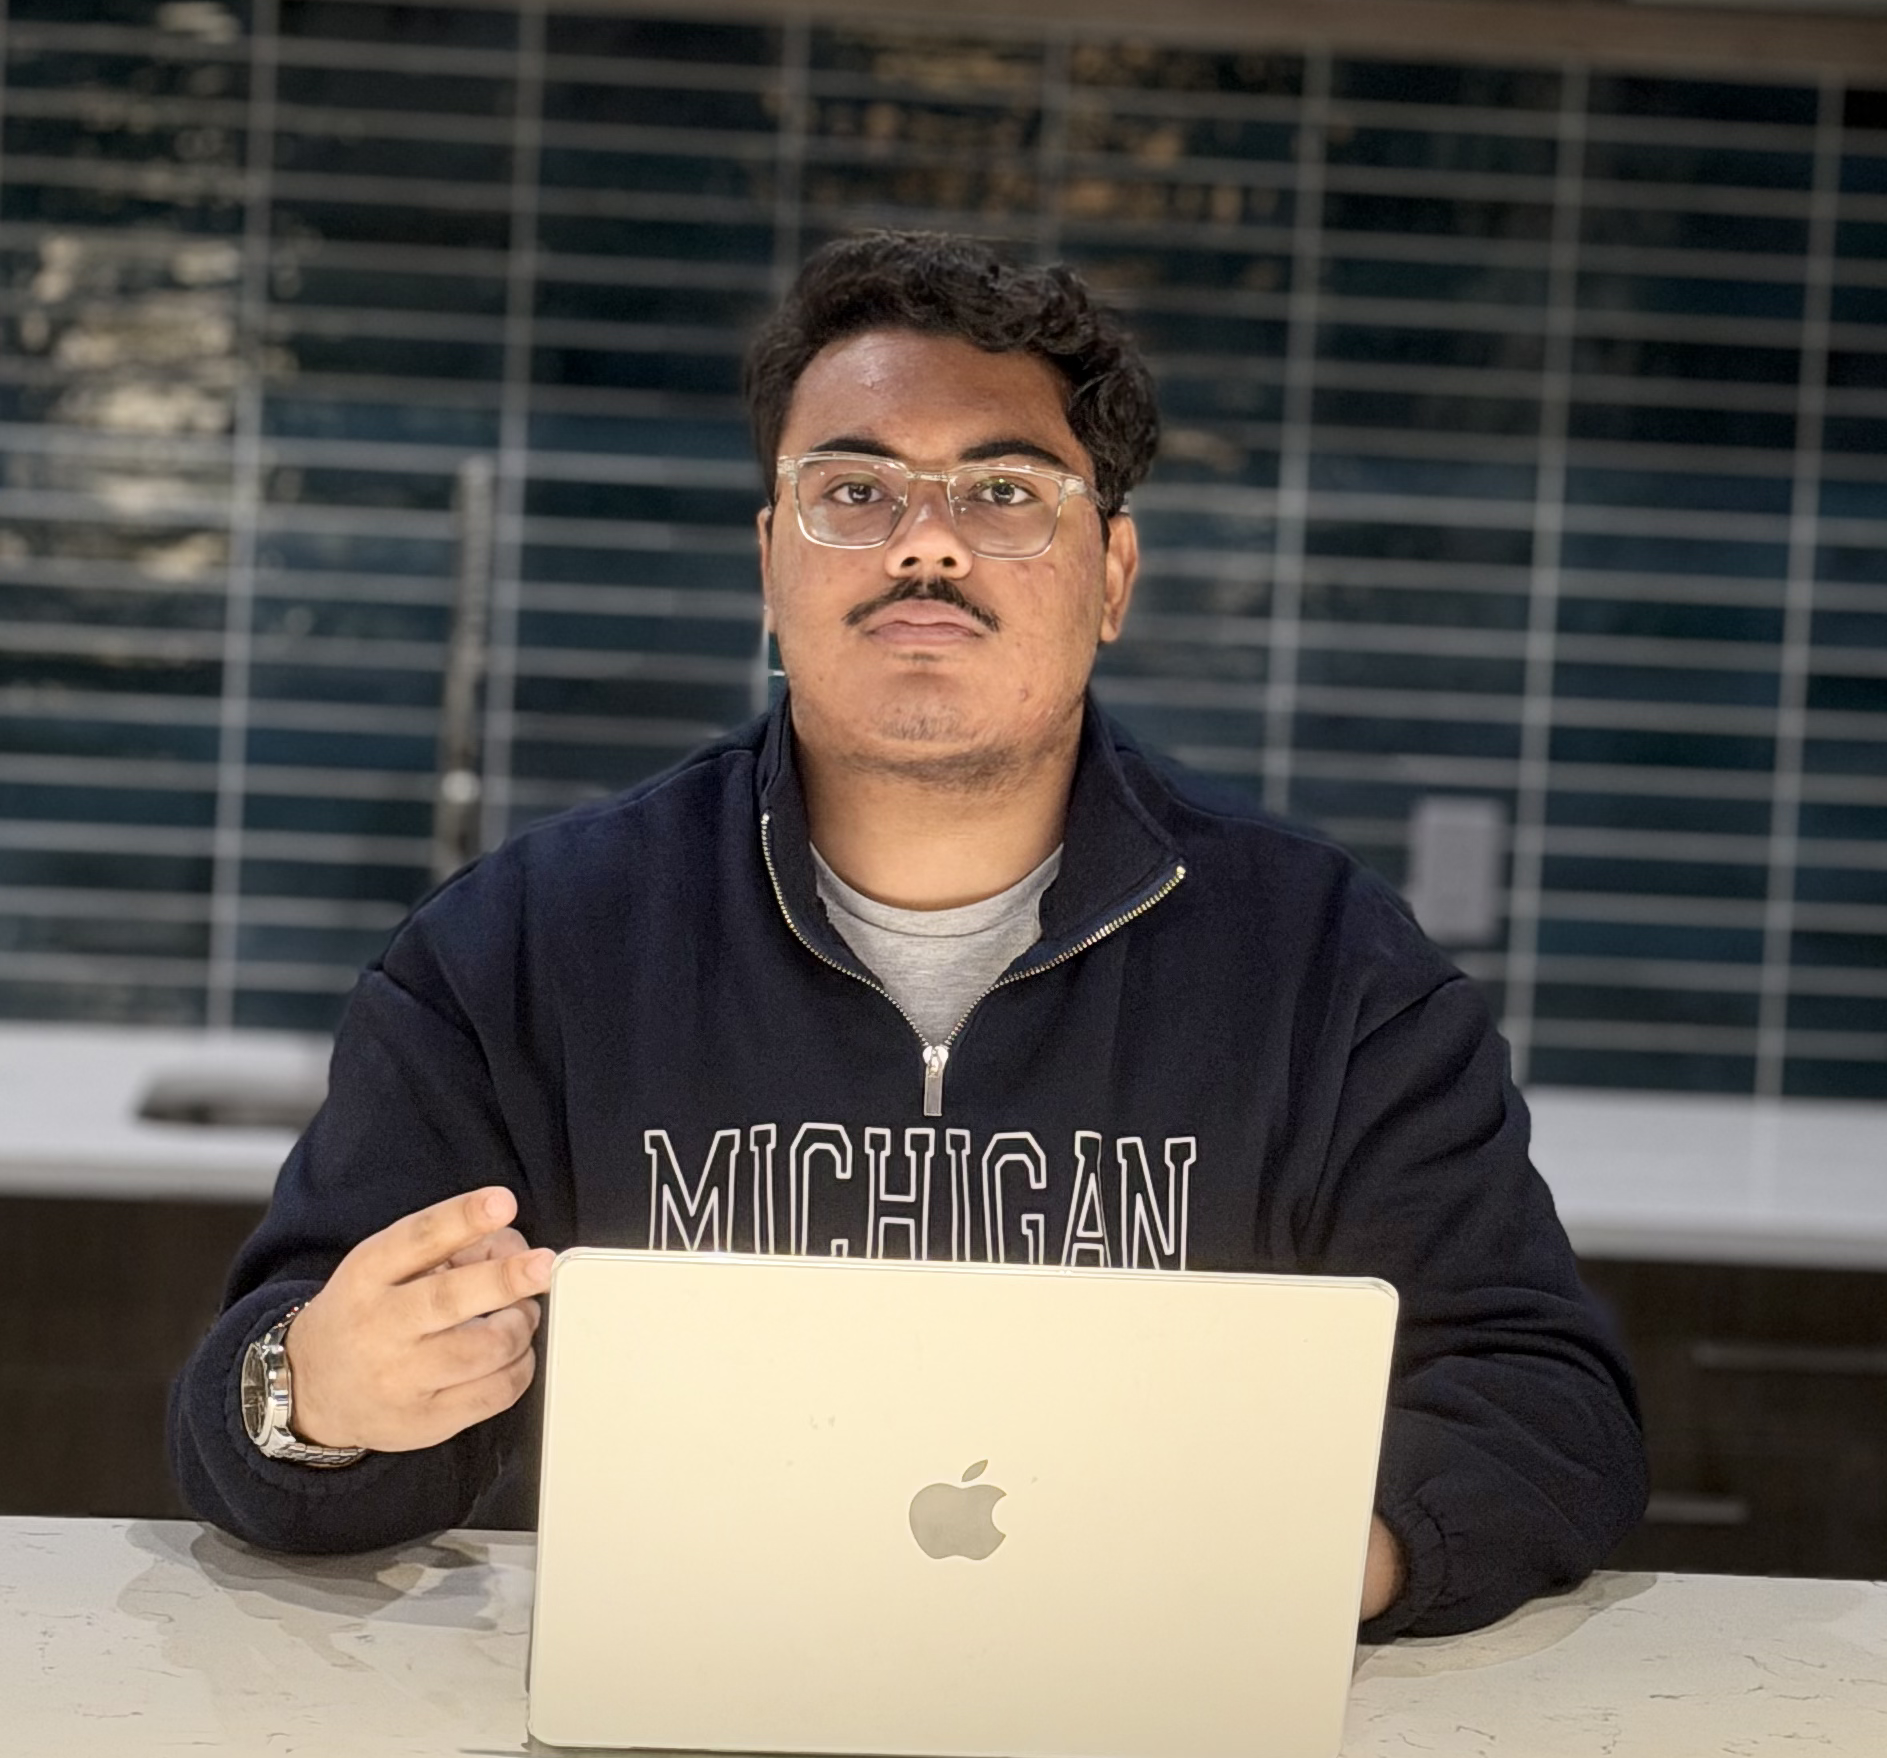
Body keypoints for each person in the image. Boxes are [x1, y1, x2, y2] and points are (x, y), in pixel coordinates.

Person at [170, 230, 1646, 1637]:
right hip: (658, 1749)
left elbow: (1538, 1397)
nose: (924, 545)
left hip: (1167, 1750)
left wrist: (1315, 1562)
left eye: (1005, 495)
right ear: (771, 562)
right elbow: (255, 1395)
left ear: (1112, 577)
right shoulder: (525, 950)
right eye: (855, 492)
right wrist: (321, 1396)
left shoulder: (1325, 968)